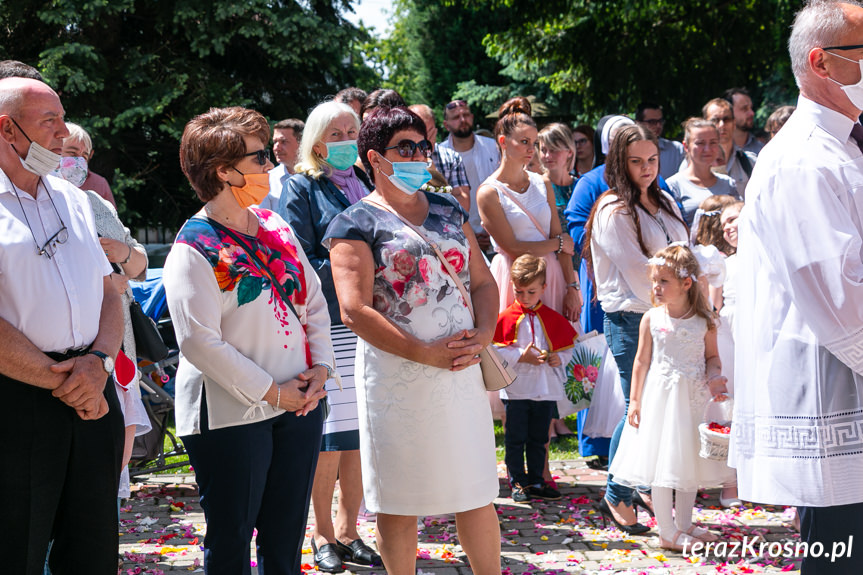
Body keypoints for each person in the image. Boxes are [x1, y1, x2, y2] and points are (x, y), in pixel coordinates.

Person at [324, 106, 501, 575]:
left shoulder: (448, 208)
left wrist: (483, 333)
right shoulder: (353, 223)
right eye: (406, 147)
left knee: (475, 491)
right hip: (398, 379)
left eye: (423, 146)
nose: (419, 155)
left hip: (460, 373)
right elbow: (354, 310)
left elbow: (483, 283)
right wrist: (424, 353)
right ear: (373, 159)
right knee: (399, 500)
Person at [163, 106, 333, 575]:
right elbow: (199, 343)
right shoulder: (192, 247)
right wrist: (273, 392)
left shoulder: (276, 227)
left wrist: (320, 371)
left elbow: (313, 301)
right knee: (232, 537)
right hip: (231, 415)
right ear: (224, 171)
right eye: (261, 158)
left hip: (299, 404)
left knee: (285, 536)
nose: (271, 168)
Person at [731, 2, 863, 571]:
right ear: (823, 63)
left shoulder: (844, 144)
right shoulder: (803, 160)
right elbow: (839, 294)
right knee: (841, 557)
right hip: (831, 392)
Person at [0, 77, 125, 575]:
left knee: (93, 548)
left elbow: (110, 291)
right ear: (7, 129)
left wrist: (97, 366)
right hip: (19, 399)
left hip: (93, 392)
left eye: (61, 117)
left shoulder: (74, 199)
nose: (62, 132)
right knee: (17, 548)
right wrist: (68, 382)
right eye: (48, 121)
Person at [276, 101, 378, 573]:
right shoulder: (301, 187)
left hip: (373, 323)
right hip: (331, 323)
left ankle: (349, 529)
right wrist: (352, 273)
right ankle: (319, 533)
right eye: (336, 133)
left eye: (352, 130)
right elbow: (294, 256)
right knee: (329, 437)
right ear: (317, 144)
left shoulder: (370, 183)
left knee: (360, 436)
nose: (346, 140)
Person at [583, 124, 689, 534]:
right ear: (619, 163)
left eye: (652, 160)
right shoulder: (613, 210)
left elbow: (685, 252)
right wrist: (683, 296)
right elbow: (639, 272)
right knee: (638, 407)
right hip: (632, 319)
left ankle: (642, 483)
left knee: (660, 408)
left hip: (670, 315)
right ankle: (617, 492)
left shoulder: (664, 201)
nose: (646, 169)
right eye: (636, 162)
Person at [608, 245, 734, 550]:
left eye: (663, 281)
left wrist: (715, 377)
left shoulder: (704, 321)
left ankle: (685, 523)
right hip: (661, 400)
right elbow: (641, 362)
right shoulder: (652, 318)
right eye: (654, 281)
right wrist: (635, 401)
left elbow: (712, 357)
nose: (656, 287)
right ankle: (666, 530)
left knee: (687, 460)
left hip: (691, 399)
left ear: (686, 283)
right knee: (662, 462)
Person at [477, 97, 580, 321]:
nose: (531, 149)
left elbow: (559, 238)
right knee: (517, 350)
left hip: (550, 276)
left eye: (534, 143)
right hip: (514, 278)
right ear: (503, 142)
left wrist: (571, 287)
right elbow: (513, 247)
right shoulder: (488, 192)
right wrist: (558, 244)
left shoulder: (542, 182)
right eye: (524, 141)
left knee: (558, 349)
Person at [493, 255, 576, 502]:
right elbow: (495, 349)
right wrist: (521, 355)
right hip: (518, 391)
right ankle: (518, 481)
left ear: (543, 288)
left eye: (531, 291)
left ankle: (538, 480)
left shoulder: (552, 318)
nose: (525, 297)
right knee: (515, 438)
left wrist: (558, 359)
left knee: (540, 438)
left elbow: (567, 348)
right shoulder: (507, 317)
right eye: (519, 291)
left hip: (545, 390)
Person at [438, 98, 501, 251]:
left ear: (472, 117)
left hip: (499, 236)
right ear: (446, 125)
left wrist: (494, 232)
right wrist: (469, 236)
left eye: (466, 115)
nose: (462, 120)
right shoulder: (439, 156)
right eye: (455, 117)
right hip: (460, 241)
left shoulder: (493, 147)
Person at [666, 118, 739, 225]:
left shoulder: (728, 183)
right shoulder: (673, 186)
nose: (707, 149)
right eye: (700, 143)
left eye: (713, 143)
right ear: (686, 146)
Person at [409, 103, 470, 204]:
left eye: (426, 133)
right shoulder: (401, 158)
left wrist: (434, 175)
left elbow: (464, 203)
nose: (423, 138)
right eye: (417, 132)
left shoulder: (451, 158)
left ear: (435, 131)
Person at [701, 98, 758, 197]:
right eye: (715, 120)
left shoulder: (750, 162)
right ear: (705, 124)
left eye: (726, 119)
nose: (722, 125)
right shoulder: (694, 165)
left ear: (734, 123)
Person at [53, 121, 117, 207]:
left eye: (84, 156)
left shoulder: (99, 184)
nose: (79, 160)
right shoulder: (38, 184)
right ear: (54, 150)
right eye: (72, 153)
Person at [538, 122, 578, 231]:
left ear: (569, 152)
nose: (547, 156)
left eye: (553, 150)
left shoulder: (581, 185)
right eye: (543, 150)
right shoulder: (536, 186)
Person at [260, 118, 304, 212]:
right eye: (275, 142)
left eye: (283, 142)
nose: (276, 148)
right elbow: (263, 220)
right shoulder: (267, 180)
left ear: (301, 144)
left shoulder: (320, 176)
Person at [636, 102, 685, 181]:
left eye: (660, 121)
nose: (658, 125)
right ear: (638, 123)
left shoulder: (676, 149)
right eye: (652, 122)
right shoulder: (631, 151)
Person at [723, 87, 764, 155]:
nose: (752, 113)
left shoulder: (761, 148)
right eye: (744, 108)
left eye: (751, 108)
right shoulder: (715, 151)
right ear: (729, 112)